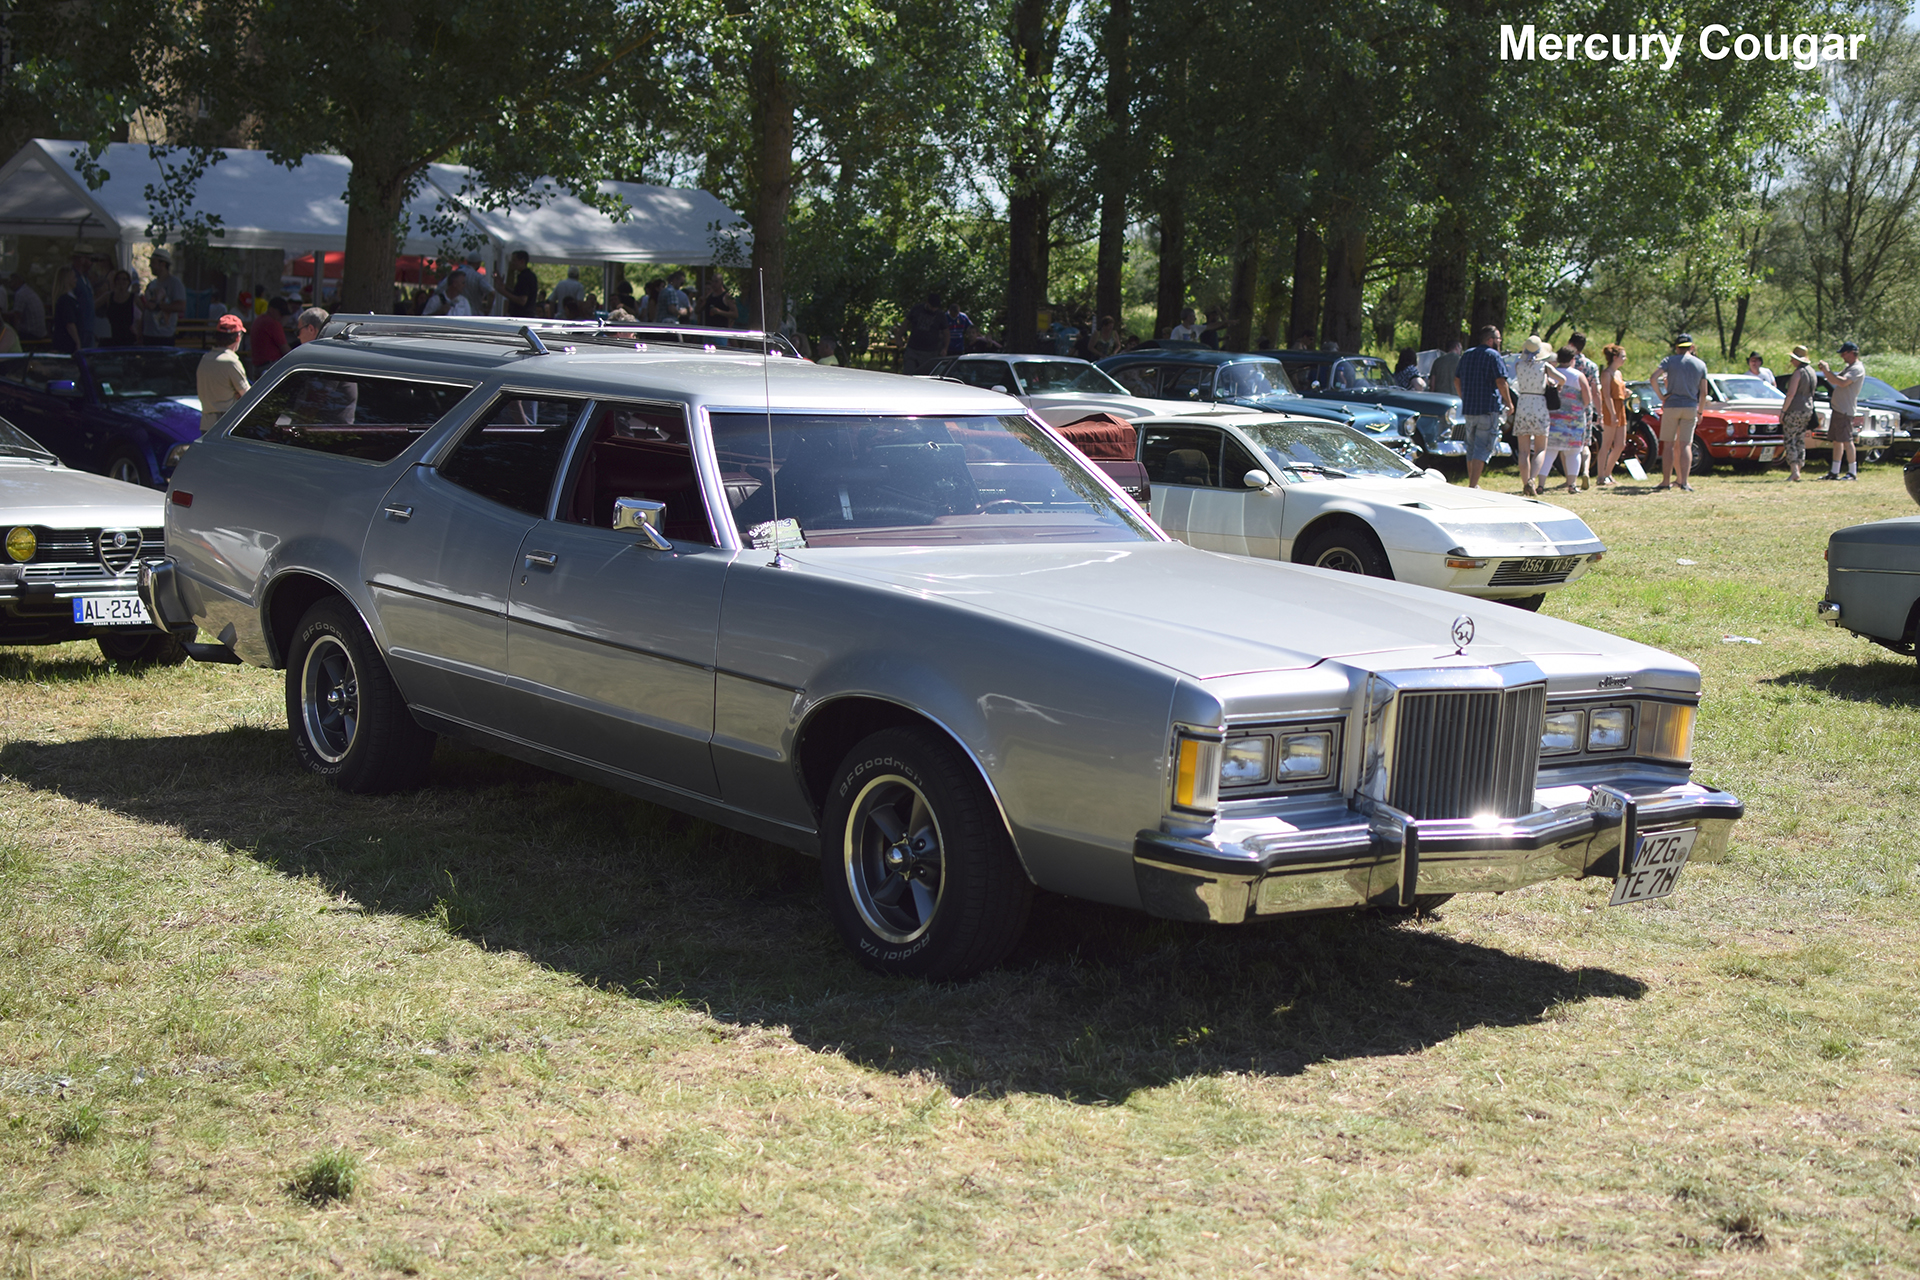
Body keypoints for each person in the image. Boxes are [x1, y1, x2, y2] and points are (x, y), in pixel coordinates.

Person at [1452, 324, 1513, 490]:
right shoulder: (1493, 356)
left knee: (1471, 447)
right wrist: (1509, 402)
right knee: (1483, 447)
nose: (1500, 342)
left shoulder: (1467, 354)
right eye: (1498, 339)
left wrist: (1464, 396)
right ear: (1491, 340)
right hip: (1488, 409)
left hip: (1469, 409)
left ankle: (1473, 483)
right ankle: (1473, 485)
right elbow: (1501, 381)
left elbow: (1456, 379)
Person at [1650, 333, 1709, 492]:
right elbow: (1704, 393)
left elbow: (1653, 378)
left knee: (1668, 445)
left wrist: (1661, 396)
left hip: (1672, 405)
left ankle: (1666, 481)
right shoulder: (1700, 364)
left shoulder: (1669, 361)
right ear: (1691, 347)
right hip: (1690, 406)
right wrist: (1700, 411)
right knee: (1685, 444)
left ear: (1676, 347)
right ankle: (1684, 482)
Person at [1510, 335, 1565, 497]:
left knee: (1523, 451)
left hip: (1523, 403)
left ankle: (1525, 482)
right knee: (1540, 448)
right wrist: (1554, 384)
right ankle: (1532, 479)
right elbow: (1562, 379)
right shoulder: (1544, 366)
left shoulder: (1519, 365)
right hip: (1539, 404)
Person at [1545, 346, 1595, 495]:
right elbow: (1587, 398)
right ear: (1573, 359)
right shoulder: (1578, 375)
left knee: (1549, 452)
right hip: (1574, 420)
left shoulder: (1552, 373)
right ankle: (1572, 484)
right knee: (1574, 452)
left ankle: (1540, 484)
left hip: (1553, 419)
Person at [1817, 341, 1866, 481]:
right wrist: (1826, 371)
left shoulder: (1857, 368)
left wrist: (1827, 370)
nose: (1842, 356)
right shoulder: (1849, 368)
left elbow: (1843, 382)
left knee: (1847, 441)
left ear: (1852, 353)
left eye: (1844, 353)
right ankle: (1834, 471)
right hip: (1839, 409)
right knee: (1837, 441)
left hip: (1845, 410)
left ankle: (1852, 472)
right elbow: (1834, 380)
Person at [196, 313, 251, 434]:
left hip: (205, 424)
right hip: (226, 425)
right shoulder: (231, 362)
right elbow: (248, 397)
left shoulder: (205, 359)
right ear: (238, 337)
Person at [1779, 345, 1818, 482]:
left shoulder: (1798, 373)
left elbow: (1791, 394)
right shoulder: (1812, 372)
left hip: (1795, 409)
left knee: (1790, 439)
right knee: (1800, 439)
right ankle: (1799, 467)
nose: (1791, 361)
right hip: (1808, 409)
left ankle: (1794, 470)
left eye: (1793, 358)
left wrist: (1783, 411)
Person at [1567, 332, 1601, 485]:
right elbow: (1596, 391)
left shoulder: (1566, 363)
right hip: (1585, 408)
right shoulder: (1591, 366)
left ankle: (1570, 478)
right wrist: (1599, 412)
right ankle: (1585, 471)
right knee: (1585, 443)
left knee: (1566, 445)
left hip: (1567, 407)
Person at [1594, 343, 1629, 487]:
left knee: (1620, 444)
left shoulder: (1618, 373)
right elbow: (1606, 395)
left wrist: (1626, 393)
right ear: (1615, 357)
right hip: (1610, 409)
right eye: (1622, 356)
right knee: (1606, 444)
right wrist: (1612, 414)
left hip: (1621, 408)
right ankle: (1601, 476)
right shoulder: (1606, 374)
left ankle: (1608, 473)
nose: (1624, 359)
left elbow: (1620, 392)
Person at [140, 250, 187, 343]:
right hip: (148, 333)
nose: (150, 266)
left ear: (162, 264)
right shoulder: (152, 284)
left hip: (164, 335)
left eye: (153, 262)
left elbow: (181, 306)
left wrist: (157, 306)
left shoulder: (174, 283)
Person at [902, 292, 947, 375]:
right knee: (908, 373)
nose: (933, 309)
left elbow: (946, 332)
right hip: (913, 348)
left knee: (925, 375)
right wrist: (899, 337)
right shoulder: (916, 309)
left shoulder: (940, 315)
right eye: (932, 307)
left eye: (935, 307)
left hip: (930, 351)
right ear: (927, 303)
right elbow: (905, 323)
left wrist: (945, 348)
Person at [96, 269, 138, 346]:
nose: (121, 282)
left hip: (128, 337)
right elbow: (92, 307)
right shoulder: (108, 296)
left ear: (129, 282)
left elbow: (145, 311)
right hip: (110, 335)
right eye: (118, 279)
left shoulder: (134, 297)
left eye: (124, 279)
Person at [250, 297, 291, 372]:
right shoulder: (273, 323)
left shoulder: (259, 320)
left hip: (258, 366)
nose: (281, 316)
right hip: (271, 366)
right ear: (271, 310)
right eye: (281, 313)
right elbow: (285, 350)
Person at [51, 266, 84, 353]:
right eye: (73, 278)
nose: (76, 280)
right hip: (66, 345)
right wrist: (77, 342)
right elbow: (70, 323)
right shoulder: (66, 300)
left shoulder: (70, 299)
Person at [6, 272, 46, 343]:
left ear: (18, 281)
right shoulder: (28, 291)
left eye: (11, 282)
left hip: (31, 334)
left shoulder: (20, 294)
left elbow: (17, 316)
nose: (9, 285)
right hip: (40, 332)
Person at [68, 251, 97, 348]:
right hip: (79, 327)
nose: (92, 263)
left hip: (88, 327)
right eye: (90, 259)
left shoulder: (85, 278)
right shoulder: (72, 278)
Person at [1427, 335, 1465, 408]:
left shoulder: (1437, 361)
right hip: (1456, 399)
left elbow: (1432, 385)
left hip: (1439, 399)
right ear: (1456, 347)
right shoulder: (1462, 361)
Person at [503, 250, 540, 317]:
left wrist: (503, 291)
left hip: (523, 315)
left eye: (514, 260)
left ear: (522, 261)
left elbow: (522, 300)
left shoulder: (525, 277)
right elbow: (519, 293)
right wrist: (505, 288)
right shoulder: (527, 276)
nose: (512, 263)